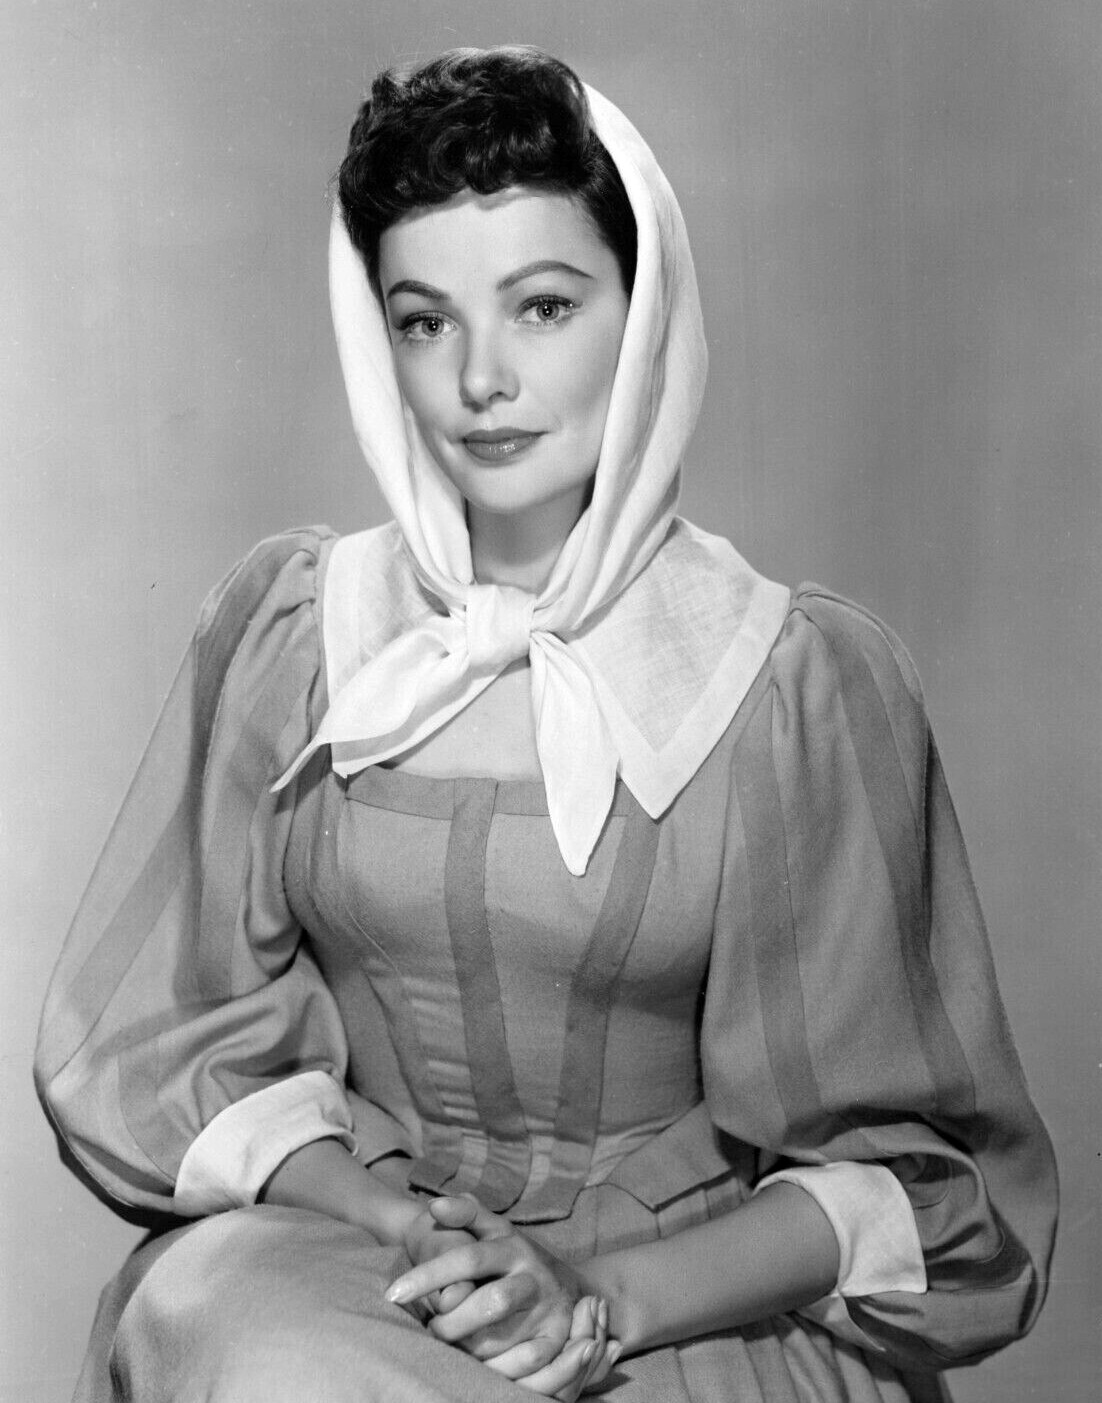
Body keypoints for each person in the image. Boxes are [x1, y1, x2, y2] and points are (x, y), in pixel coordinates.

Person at [35, 46, 1057, 1403]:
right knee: (241, 1337)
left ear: (642, 315)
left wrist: (598, 1298)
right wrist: (396, 1221)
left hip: (683, 1306)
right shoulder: (296, 636)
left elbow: (924, 1177)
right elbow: (166, 1040)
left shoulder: (793, 683)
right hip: (368, 1263)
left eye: (543, 307)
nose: (480, 379)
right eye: (424, 321)